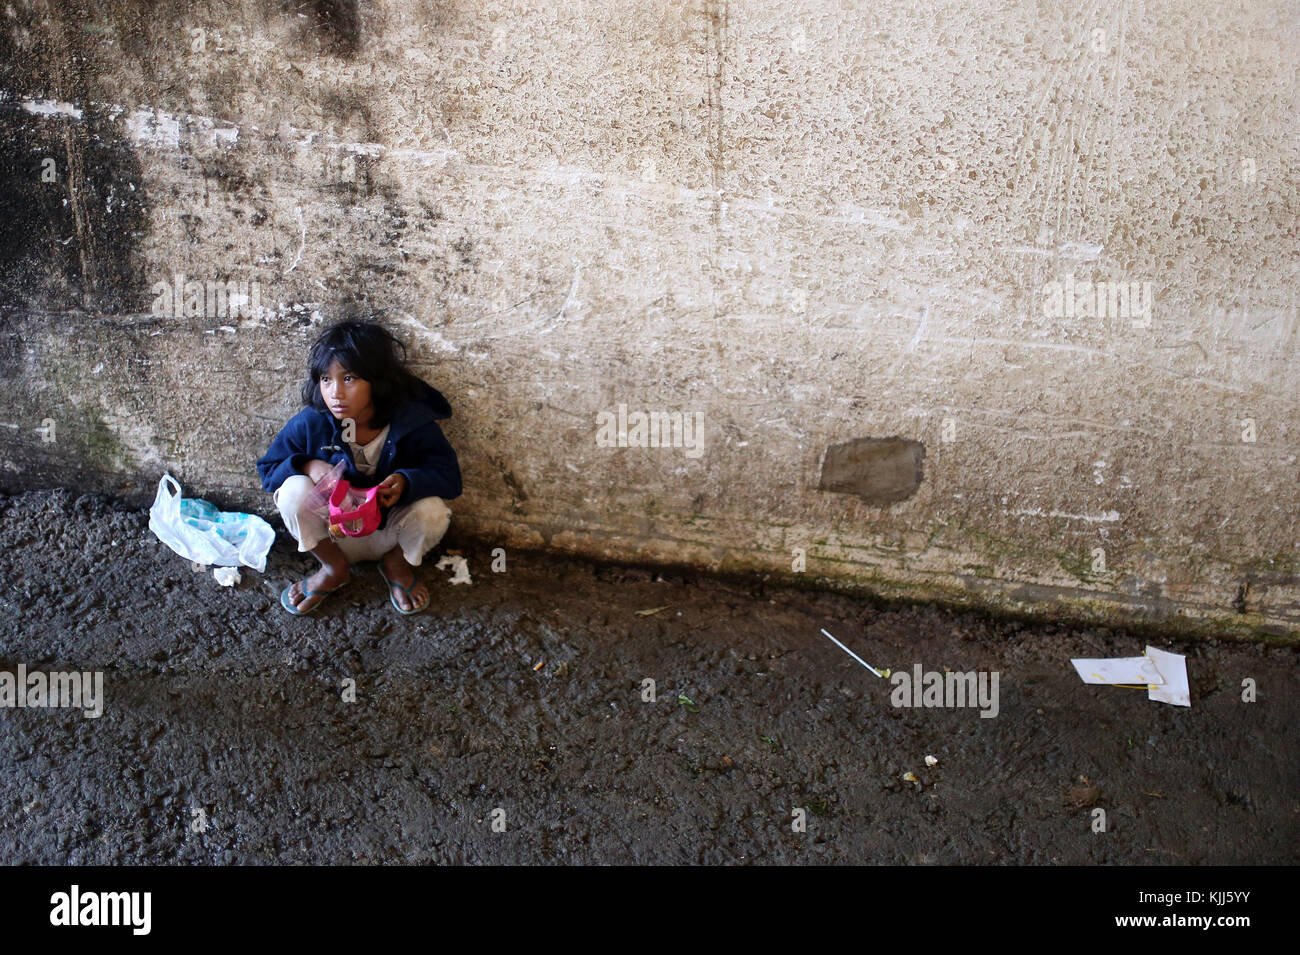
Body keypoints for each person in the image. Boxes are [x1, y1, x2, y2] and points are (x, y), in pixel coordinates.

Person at [256, 320, 462, 616]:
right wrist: (307, 464)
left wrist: (407, 481)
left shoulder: (412, 423)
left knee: (433, 511)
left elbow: (450, 478)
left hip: (390, 534)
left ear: (378, 381)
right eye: (326, 379)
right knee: (292, 491)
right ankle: (333, 569)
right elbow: (268, 470)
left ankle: (395, 566)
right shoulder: (312, 422)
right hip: (333, 536)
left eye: (349, 378)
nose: (335, 393)